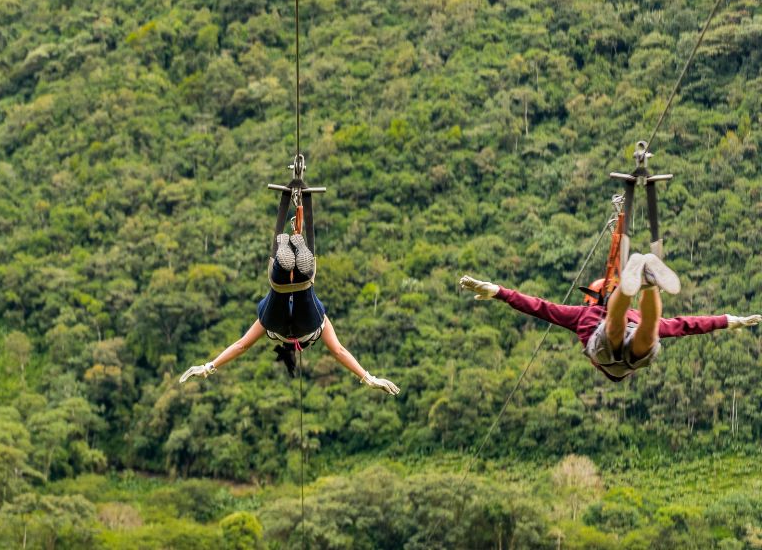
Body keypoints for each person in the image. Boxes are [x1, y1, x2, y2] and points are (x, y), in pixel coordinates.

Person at [460, 253, 761, 382]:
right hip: (608, 346)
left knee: (645, 329)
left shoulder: (582, 314)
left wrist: (730, 320)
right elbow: (686, 325)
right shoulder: (583, 315)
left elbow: (536, 306)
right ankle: (644, 283)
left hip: (616, 353)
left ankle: (647, 282)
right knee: (640, 328)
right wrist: (498, 291)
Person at [180, 231, 400, 394]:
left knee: (303, 290)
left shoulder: (313, 333)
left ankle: (297, 269)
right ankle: (283, 268)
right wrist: (368, 378)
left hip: (301, 324)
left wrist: (209, 367)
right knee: (280, 291)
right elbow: (339, 352)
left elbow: (241, 345)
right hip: (282, 324)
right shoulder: (295, 333)